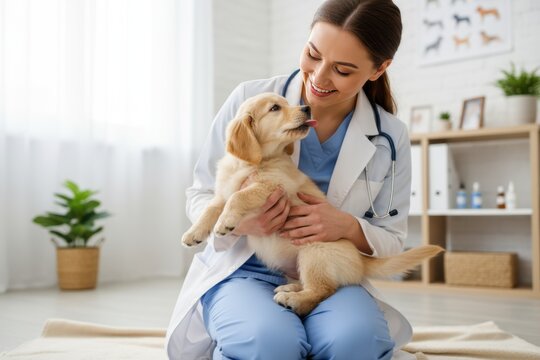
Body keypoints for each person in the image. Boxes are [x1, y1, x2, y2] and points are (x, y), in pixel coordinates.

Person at [166, 0, 414, 359]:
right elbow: (202, 192)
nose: (319, 77)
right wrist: (241, 222)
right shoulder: (249, 99)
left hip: (324, 266)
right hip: (243, 268)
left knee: (354, 343)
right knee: (269, 345)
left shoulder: (390, 136)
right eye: (313, 54)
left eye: (343, 70)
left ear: (379, 69)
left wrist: (344, 225)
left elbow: (391, 240)